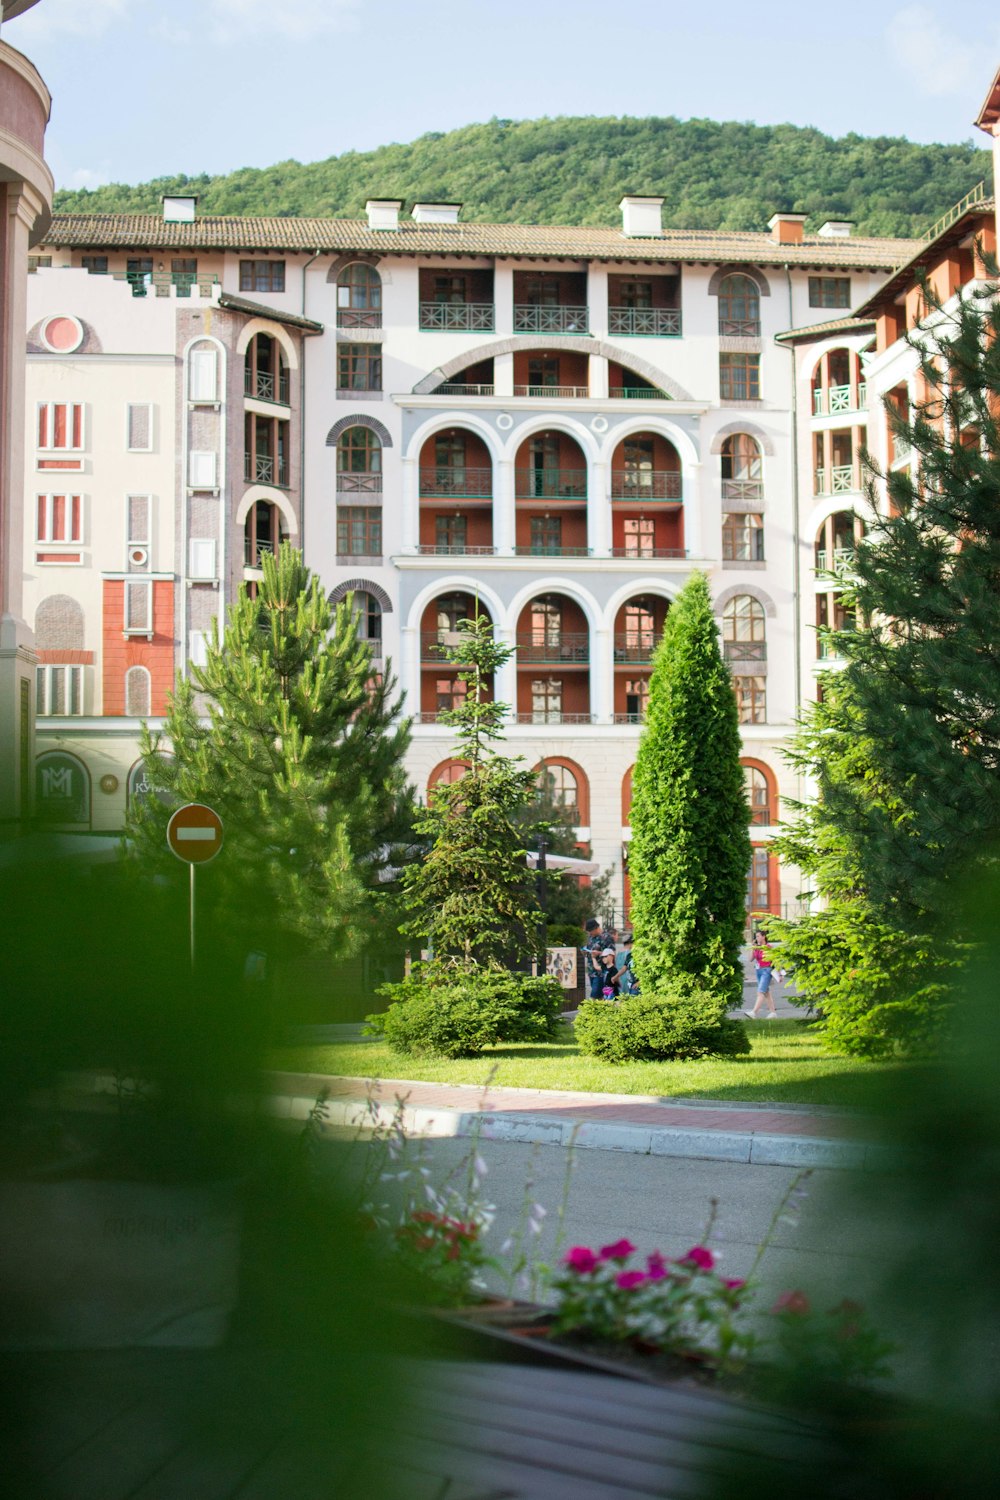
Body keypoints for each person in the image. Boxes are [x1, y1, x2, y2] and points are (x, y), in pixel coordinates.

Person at [745, 928, 778, 1018]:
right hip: (759, 970)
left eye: (758, 936)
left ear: (764, 937)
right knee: (766, 992)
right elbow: (750, 959)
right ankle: (773, 1012)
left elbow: (775, 960)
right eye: (756, 936)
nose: (757, 938)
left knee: (760, 992)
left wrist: (780, 973)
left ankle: (754, 1012)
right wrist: (753, 948)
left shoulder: (768, 947)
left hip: (766, 970)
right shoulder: (757, 948)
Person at [583, 918, 609, 999]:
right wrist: (584, 952)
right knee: (600, 996)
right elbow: (588, 952)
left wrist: (599, 953)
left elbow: (611, 953)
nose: (590, 933)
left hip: (601, 972)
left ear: (596, 928)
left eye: (591, 931)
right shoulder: (590, 937)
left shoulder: (606, 937)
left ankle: (590, 1010)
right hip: (591, 971)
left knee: (594, 996)